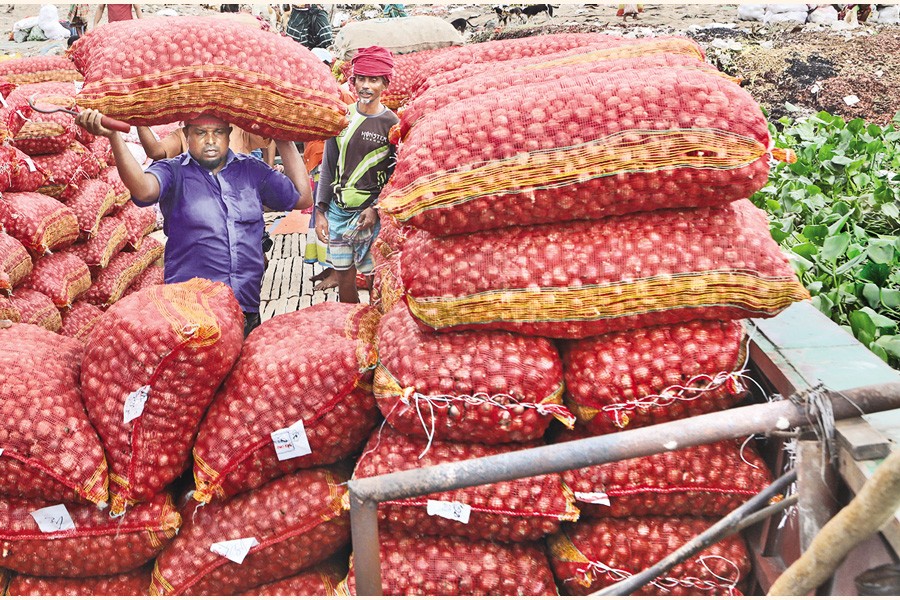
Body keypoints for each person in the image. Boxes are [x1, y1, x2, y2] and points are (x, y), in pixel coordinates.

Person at [76, 110, 313, 336]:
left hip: (246, 307)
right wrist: (114, 137)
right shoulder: (173, 172)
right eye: (200, 133)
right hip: (192, 314)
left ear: (229, 134)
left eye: (218, 132)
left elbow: (302, 198)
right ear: (186, 134)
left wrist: (284, 139)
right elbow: (143, 190)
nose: (210, 140)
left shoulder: (251, 171)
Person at [314, 46, 398, 304]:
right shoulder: (342, 118)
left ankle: (376, 328)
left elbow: (395, 176)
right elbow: (328, 167)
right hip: (339, 212)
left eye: (373, 80)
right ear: (353, 81)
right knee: (344, 279)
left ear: (385, 83)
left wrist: (375, 209)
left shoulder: (391, 124)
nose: (365, 85)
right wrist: (321, 211)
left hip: (370, 216)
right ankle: (351, 328)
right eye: (361, 78)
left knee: (375, 278)